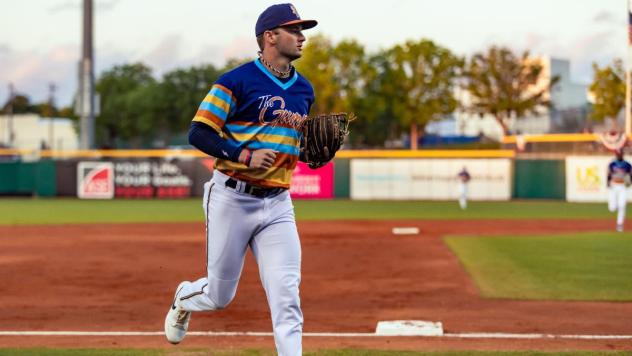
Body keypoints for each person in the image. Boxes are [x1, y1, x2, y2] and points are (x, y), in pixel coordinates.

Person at [163, 4, 317, 355]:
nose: (302, 37)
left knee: (287, 297)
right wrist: (242, 154)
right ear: (270, 36)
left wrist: (312, 153)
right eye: (295, 30)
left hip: (278, 203)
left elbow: (295, 145)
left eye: (303, 30)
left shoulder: (304, 90)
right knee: (219, 296)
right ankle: (185, 298)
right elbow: (199, 132)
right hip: (232, 199)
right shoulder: (235, 81)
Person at [607, 149, 632, 232]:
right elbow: (609, 174)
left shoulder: (627, 165)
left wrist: (629, 182)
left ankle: (619, 224)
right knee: (612, 208)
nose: (619, 155)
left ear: (623, 154)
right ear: (616, 155)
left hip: (622, 186)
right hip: (614, 186)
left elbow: (630, 175)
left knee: (622, 206)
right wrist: (608, 183)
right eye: (618, 154)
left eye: (620, 154)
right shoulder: (612, 164)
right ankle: (617, 205)